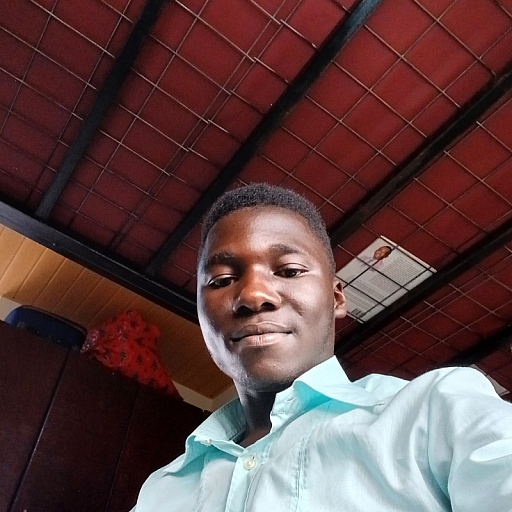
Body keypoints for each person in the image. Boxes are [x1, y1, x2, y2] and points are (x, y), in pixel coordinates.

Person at [132, 183, 512, 511]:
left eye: (289, 271)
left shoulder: (438, 411)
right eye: (221, 280)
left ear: (336, 298)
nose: (253, 295)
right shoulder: (160, 492)